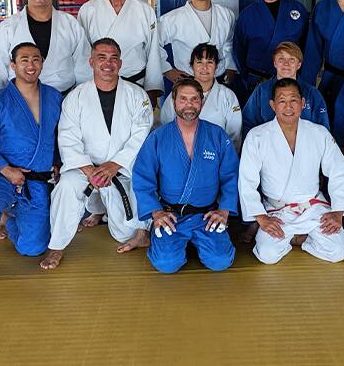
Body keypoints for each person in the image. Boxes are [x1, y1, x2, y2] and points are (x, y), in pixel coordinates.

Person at [40, 38, 154, 269]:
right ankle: (57, 246)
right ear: (91, 62)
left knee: (125, 234)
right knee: (66, 186)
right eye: (102, 57)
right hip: (86, 169)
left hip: (122, 169)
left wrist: (114, 165)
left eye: (113, 58)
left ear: (120, 63)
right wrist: (89, 170)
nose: (107, 63)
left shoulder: (137, 95)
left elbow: (141, 135)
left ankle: (104, 208)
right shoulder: (76, 97)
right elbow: (68, 137)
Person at [0, 42, 62, 284]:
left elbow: (62, 135)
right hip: (3, 176)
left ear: (42, 63)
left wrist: (58, 161)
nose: (31, 65)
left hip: (37, 181)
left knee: (32, 248)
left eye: (36, 59)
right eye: (24, 60)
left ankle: (8, 220)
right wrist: (7, 170)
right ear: (13, 65)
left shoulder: (54, 97)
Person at [239, 78, 344, 264]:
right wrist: (261, 218)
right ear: (272, 105)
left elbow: (339, 172)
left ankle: (298, 239)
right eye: (282, 101)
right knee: (268, 254)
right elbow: (247, 181)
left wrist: (338, 212)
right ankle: (298, 237)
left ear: (302, 103)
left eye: (293, 100)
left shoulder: (319, 133)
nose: (288, 106)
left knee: (339, 251)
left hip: (313, 207)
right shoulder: (257, 136)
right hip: (276, 211)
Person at [132, 78, 239, 273]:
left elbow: (231, 175)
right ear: (173, 102)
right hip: (171, 216)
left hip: (207, 215)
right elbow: (142, 177)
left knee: (220, 261)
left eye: (194, 99)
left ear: (202, 102)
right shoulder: (158, 137)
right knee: (166, 264)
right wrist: (156, 212)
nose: (189, 105)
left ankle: (199, 242)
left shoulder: (217, 135)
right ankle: (174, 243)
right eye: (183, 99)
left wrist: (224, 210)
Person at [0, 0, 92, 100]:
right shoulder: (8, 28)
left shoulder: (70, 24)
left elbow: (84, 66)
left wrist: (85, 99)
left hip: (63, 99)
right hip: (19, 101)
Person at [77, 0, 164, 103]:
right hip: (99, 85)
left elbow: (153, 51)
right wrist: (84, 86)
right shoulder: (88, 10)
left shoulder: (144, 10)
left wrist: (152, 88)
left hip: (136, 83)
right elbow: (82, 53)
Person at [234, 0, 309, 92]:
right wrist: (247, 77)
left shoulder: (298, 9)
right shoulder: (247, 14)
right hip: (257, 81)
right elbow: (238, 50)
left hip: (291, 79)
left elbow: (307, 46)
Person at [159, 0, 237, 85]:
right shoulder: (171, 19)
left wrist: (230, 66)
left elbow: (230, 42)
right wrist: (167, 70)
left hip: (218, 79)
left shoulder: (226, 15)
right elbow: (154, 44)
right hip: (187, 81)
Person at [160, 44, 242, 152]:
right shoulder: (176, 94)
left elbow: (234, 136)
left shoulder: (228, 96)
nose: (204, 67)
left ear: (216, 67)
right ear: (191, 66)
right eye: (199, 62)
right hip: (179, 153)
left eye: (210, 62)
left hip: (217, 155)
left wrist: (226, 158)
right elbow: (164, 127)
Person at [242, 41, 329, 136]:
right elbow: (248, 122)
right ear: (274, 63)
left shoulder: (312, 93)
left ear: (299, 65)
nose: (286, 64)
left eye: (292, 60)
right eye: (281, 59)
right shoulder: (261, 91)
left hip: (304, 144)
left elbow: (323, 130)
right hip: (266, 143)